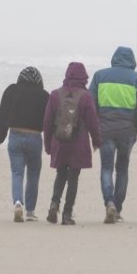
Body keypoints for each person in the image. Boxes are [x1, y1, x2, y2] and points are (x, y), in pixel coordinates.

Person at [90, 46, 137, 224]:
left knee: (106, 167)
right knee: (122, 169)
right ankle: (117, 208)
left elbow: (90, 104)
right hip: (127, 130)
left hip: (105, 129)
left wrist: (95, 127)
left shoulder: (100, 76)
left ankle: (109, 202)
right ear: (132, 61)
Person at [42, 62, 101, 225]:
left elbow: (47, 123)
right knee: (73, 177)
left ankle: (54, 204)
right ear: (84, 77)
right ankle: (67, 214)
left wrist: (48, 144)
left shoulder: (55, 95)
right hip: (78, 143)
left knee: (60, 174)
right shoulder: (86, 96)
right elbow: (93, 123)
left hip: (59, 142)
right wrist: (96, 141)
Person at [0, 66, 50, 222]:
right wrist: (51, 142)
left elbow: (2, 114)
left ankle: (18, 203)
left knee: (17, 172)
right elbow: (49, 121)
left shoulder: (11, 90)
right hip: (35, 137)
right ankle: (30, 211)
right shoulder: (44, 96)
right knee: (33, 174)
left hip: (15, 136)